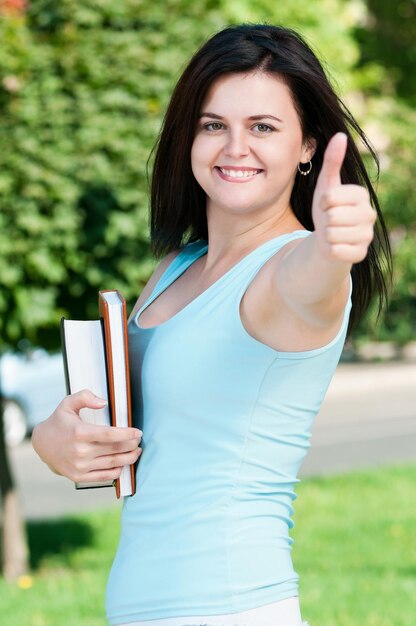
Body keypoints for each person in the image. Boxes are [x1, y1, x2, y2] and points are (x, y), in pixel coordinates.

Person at [32, 24, 391, 626]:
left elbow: (314, 279)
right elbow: (134, 435)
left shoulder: (290, 271)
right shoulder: (177, 268)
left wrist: (335, 247)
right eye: (213, 124)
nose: (234, 148)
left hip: (230, 608)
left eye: (264, 128)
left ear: (308, 147)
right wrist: (54, 443)